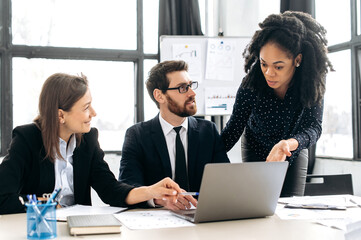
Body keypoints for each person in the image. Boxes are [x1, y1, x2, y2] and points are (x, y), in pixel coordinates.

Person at [0, 73, 182, 215]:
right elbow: (3, 196)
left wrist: (151, 192)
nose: (93, 113)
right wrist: (43, 206)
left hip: (80, 229)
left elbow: (110, 189)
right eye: (86, 107)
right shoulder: (27, 138)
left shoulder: (88, 140)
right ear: (61, 115)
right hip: (42, 229)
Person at [221, 11, 333, 197]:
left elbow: (314, 127)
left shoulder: (310, 80)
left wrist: (289, 144)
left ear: (297, 60)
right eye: (264, 64)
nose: (269, 73)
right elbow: (234, 128)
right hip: (255, 148)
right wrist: (204, 158)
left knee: (290, 208)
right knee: (257, 206)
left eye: (278, 66)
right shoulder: (252, 83)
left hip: (292, 148)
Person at [119, 60, 230, 210]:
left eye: (190, 85)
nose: (192, 93)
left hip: (202, 217)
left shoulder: (208, 131)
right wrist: (160, 199)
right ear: (159, 96)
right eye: (183, 88)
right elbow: (128, 186)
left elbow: (226, 180)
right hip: (158, 221)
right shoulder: (137, 135)